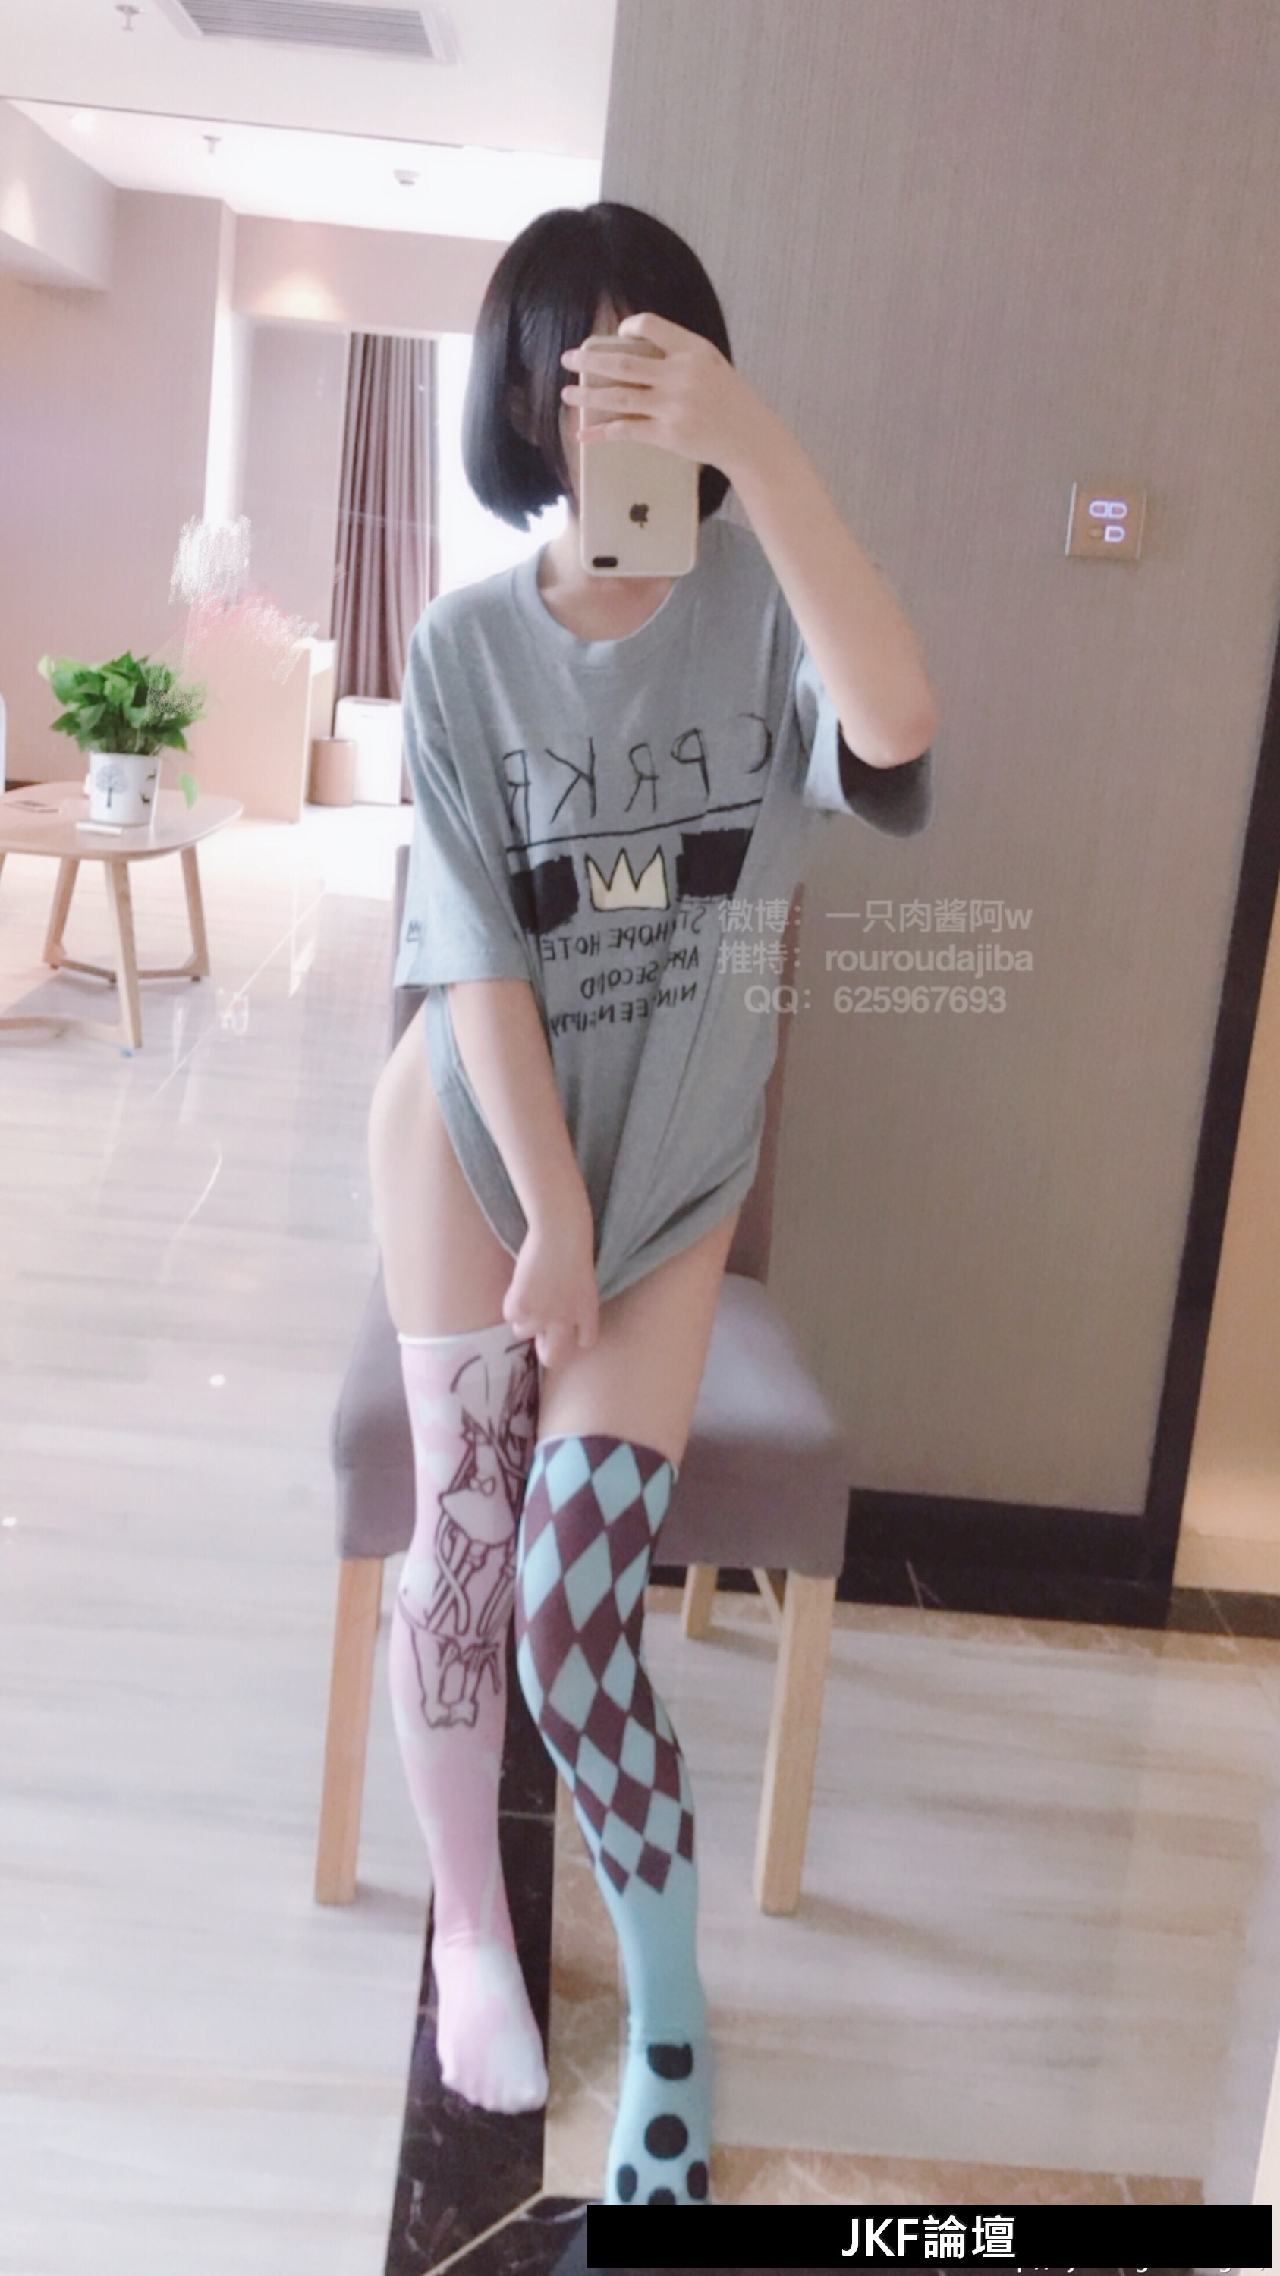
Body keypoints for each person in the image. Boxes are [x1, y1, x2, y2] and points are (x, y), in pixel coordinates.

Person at [368, 199, 938, 2209]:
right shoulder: (462, 651)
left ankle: (674, 2023)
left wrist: (756, 449)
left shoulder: (768, 616)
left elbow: (897, 729)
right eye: (578, 368)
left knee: (570, 1608)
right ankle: (470, 1926)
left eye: (656, 363)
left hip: (674, 1180)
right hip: (474, 1143)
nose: (612, 406)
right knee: (462, 1551)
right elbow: (475, 963)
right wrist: (545, 1214)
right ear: (520, 399)